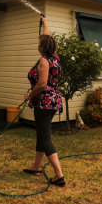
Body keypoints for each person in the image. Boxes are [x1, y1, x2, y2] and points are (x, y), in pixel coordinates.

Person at [23, 17, 66, 187]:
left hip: (44, 103)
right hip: (53, 100)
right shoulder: (55, 56)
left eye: (40, 43)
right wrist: (45, 22)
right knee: (41, 134)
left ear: (42, 47)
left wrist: (29, 96)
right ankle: (36, 167)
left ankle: (59, 175)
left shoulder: (43, 60)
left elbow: (41, 84)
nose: (38, 44)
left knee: (45, 136)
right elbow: (47, 37)